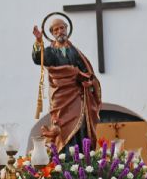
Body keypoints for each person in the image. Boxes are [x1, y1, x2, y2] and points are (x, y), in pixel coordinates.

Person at [32, 17, 102, 152]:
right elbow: (38, 59)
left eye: (62, 28)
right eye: (56, 29)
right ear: (52, 33)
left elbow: (86, 72)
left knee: (81, 124)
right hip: (60, 97)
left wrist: (87, 81)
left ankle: (81, 155)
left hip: (76, 95)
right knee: (61, 127)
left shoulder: (75, 51)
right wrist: (38, 41)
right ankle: (65, 157)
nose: (60, 31)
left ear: (67, 29)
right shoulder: (50, 51)